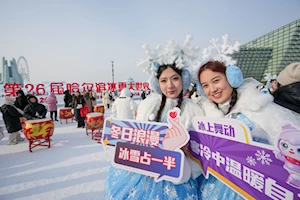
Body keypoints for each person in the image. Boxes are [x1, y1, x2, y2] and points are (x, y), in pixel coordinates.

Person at [105, 37, 205, 199]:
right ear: (157, 83)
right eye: (164, 80)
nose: (170, 85)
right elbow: (137, 140)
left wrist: (187, 154)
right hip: (146, 177)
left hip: (179, 177)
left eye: (175, 79)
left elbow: (201, 152)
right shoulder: (147, 105)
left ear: (183, 79)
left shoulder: (194, 109)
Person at [196, 60, 300, 200]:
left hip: (257, 184)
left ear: (231, 79)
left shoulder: (257, 106)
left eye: (216, 81)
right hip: (219, 182)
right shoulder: (205, 113)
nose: (212, 89)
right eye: (205, 86)